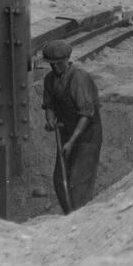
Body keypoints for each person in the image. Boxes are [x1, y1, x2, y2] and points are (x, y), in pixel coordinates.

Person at [41, 39, 103, 214]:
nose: (54, 68)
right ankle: (70, 217)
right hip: (66, 134)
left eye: (58, 64)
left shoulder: (79, 79)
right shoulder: (50, 80)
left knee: (78, 183)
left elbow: (86, 115)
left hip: (86, 136)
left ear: (66, 60)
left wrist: (72, 141)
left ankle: (80, 219)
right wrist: (50, 119)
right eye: (51, 65)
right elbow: (50, 106)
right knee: (60, 181)